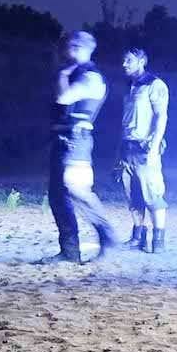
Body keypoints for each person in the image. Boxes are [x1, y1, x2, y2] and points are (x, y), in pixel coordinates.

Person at [49, 30, 117, 263]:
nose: (60, 52)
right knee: (58, 196)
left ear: (77, 48)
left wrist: (62, 75)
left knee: (76, 189)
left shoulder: (90, 76)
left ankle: (107, 236)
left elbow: (64, 98)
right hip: (67, 138)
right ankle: (69, 251)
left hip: (76, 140)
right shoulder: (81, 73)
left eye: (65, 47)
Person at [118, 47, 170, 253]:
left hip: (144, 147)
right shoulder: (129, 86)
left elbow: (161, 117)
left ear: (141, 61)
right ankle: (138, 236)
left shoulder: (154, 84)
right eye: (123, 61)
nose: (124, 64)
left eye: (128, 60)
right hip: (128, 147)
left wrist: (154, 145)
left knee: (153, 194)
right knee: (132, 195)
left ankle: (159, 241)